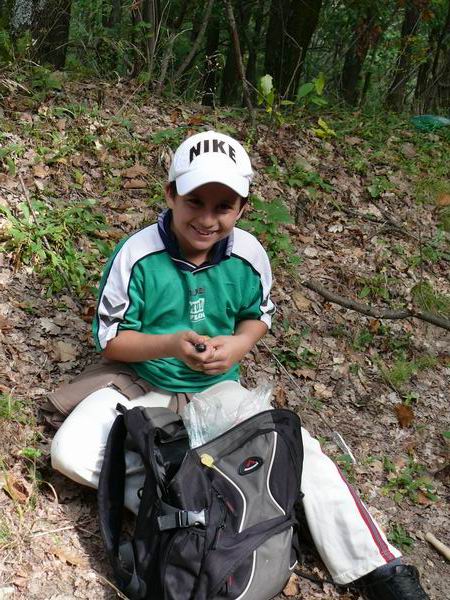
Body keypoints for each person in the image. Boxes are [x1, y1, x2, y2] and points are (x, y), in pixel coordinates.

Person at [50, 130, 428, 600]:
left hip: (216, 389)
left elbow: (259, 315)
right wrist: (171, 344)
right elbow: (111, 341)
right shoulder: (138, 254)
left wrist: (239, 345)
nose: (207, 219)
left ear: (242, 208)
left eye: (223, 206)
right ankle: (194, 511)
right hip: (141, 382)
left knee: (301, 450)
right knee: (70, 450)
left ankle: (379, 567)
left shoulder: (248, 254)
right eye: (194, 201)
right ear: (170, 195)